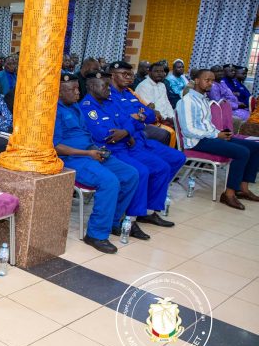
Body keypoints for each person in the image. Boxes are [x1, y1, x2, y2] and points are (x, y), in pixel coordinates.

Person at [81, 68, 183, 238]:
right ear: (92, 87)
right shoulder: (88, 107)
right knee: (140, 172)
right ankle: (130, 219)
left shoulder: (109, 102)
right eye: (105, 86)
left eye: (108, 86)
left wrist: (126, 132)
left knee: (161, 167)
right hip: (110, 150)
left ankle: (142, 212)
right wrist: (127, 131)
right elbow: (105, 135)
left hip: (126, 145)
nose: (108, 89)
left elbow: (129, 122)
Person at [55, 73, 139, 253]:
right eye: (72, 90)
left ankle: (114, 222)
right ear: (59, 92)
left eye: (78, 88)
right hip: (72, 158)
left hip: (90, 152)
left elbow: (85, 134)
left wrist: (95, 150)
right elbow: (56, 147)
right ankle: (96, 234)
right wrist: (88, 153)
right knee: (109, 181)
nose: (78, 92)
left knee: (130, 174)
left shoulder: (75, 106)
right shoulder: (54, 111)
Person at [178, 69, 259, 209]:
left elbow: (208, 126)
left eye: (212, 80)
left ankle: (243, 189)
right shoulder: (187, 101)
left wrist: (221, 133)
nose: (210, 83)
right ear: (196, 80)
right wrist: (216, 135)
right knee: (242, 152)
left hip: (210, 137)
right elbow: (188, 130)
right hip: (196, 142)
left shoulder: (204, 99)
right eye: (207, 80)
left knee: (255, 147)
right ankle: (228, 194)